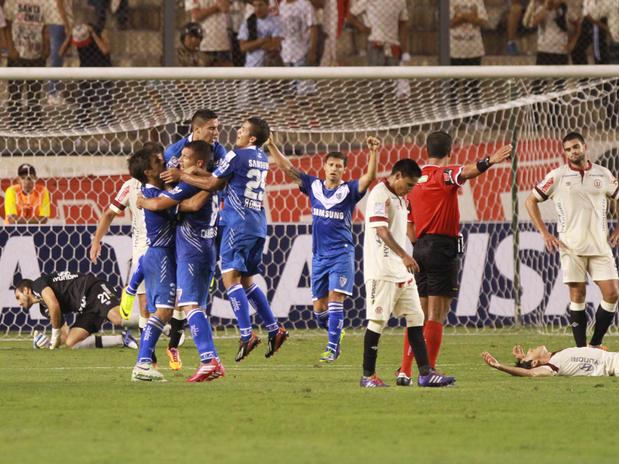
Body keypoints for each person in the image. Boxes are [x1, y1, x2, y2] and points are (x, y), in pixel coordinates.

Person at [161, 117, 289, 362]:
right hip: (258, 223)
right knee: (248, 282)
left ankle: (246, 334)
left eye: (243, 129)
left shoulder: (235, 155)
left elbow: (212, 184)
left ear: (251, 138)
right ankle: (274, 328)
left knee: (230, 280)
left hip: (236, 224)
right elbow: (221, 178)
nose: (237, 131)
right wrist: (197, 171)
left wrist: (181, 175)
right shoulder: (261, 158)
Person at [397, 131, 512, 385]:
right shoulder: (442, 173)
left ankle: (404, 370)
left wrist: (421, 246)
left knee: (418, 314)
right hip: (441, 248)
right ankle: (429, 372)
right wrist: (490, 160)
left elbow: (410, 225)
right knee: (436, 315)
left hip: (419, 249)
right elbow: (466, 172)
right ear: (451, 152)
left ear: (426, 150)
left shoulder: (414, 180)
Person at [265, 135, 379, 362]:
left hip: (342, 253)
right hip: (319, 256)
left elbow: (369, 178)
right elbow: (287, 169)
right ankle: (336, 332)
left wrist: (373, 153)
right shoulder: (313, 186)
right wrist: (271, 145)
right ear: (324, 167)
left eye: (339, 166)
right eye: (331, 165)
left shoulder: (349, 190)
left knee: (336, 298)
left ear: (344, 170)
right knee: (318, 311)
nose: (334, 169)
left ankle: (332, 347)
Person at [360, 159, 455, 388]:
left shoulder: (401, 199)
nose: (411, 189)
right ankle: (367, 376)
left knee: (416, 318)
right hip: (382, 270)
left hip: (401, 271)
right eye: (410, 185)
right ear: (398, 176)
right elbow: (381, 230)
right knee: (377, 321)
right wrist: (404, 254)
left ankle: (424, 374)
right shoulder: (379, 195)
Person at [136, 141, 225, 382]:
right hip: (167, 254)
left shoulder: (176, 187)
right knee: (172, 309)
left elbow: (187, 202)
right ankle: (145, 362)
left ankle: (147, 362)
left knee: (176, 308)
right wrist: (213, 184)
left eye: (182, 157)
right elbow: (177, 201)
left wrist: (209, 183)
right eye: (160, 161)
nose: (172, 161)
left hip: (184, 251)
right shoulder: (157, 190)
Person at [525, 132, 619, 348]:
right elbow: (531, 201)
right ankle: (580, 349)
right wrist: (544, 233)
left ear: (585, 147)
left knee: (612, 293)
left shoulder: (603, 174)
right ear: (564, 152)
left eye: (576, 147)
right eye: (568, 149)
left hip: (600, 245)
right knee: (578, 295)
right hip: (571, 247)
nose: (573, 152)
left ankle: (595, 344)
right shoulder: (557, 176)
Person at [89, 143, 174, 368]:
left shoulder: (170, 179)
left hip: (170, 247)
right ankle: (150, 357)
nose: (161, 160)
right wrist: (96, 240)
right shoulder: (130, 187)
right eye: (156, 158)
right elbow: (108, 213)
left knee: (174, 304)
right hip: (142, 249)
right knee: (146, 306)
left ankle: (174, 339)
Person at [14, 272, 138, 350]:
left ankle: (154, 322)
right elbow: (63, 334)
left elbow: (54, 305)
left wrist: (54, 336)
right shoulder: (44, 309)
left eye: (18, 297)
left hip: (92, 289)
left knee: (117, 318)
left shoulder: (37, 285)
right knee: (70, 342)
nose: (19, 303)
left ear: (26, 290)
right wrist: (46, 343)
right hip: (86, 309)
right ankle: (122, 340)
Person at [4, 0, 51, 128]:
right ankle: (15, 124)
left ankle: (34, 124)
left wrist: (47, 45)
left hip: (37, 54)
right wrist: (11, 48)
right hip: (18, 53)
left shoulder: (43, 3)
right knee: (15, 93)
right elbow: (6, 26)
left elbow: (45, 26)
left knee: (35, 93)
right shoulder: (12, 2)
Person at [482, 344, 619, 377]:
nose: (531, 348)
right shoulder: (552, 366)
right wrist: (499, 366)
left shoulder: (556, 355)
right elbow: (530, 373)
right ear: (535, 363)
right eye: (531, 351)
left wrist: (523, 358)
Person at [348, 0, 410, 66]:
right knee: (375, 75)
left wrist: (404, 52)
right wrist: (363, 28)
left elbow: (403, 25)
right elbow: (351, 15)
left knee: (393, 75)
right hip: (375, 45)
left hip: (393, 46)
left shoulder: (400, 1)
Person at [185, 0, 233, 66]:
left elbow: (224, 7)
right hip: (203, 43)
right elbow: (196, 16)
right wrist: (216, 7)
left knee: (223, 73)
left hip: (222, 41)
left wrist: (207, 11)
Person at [238, 0, 283, 67]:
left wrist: (251, 45)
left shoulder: (275, 21)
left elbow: (274, 46)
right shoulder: (248, 22)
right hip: (251, 66)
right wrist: (262, 41)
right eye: (255, 6)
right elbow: (243, 47)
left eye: (260, 5)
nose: (257, 9)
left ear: (267, 5)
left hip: (270, 66)